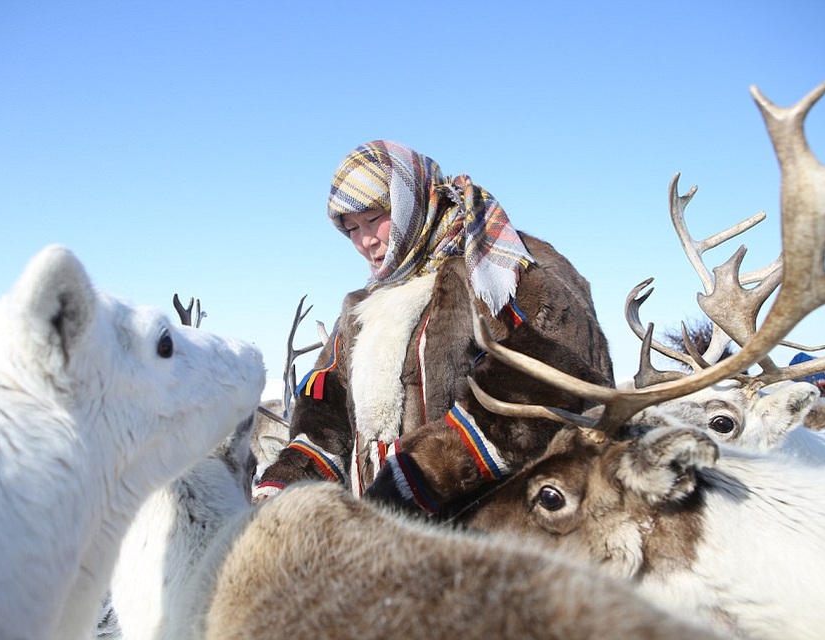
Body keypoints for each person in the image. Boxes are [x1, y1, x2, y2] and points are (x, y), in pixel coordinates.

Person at [254, 140, 613, 515]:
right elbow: (328, 408)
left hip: (501, 532)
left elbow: (558, 375)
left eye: (375, 218)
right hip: (388, 535)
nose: (366, 240)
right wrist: (284, 484)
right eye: (351, 229)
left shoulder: (500, 265)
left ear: (409, 202)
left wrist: (421, 475)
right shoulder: (364, 307)